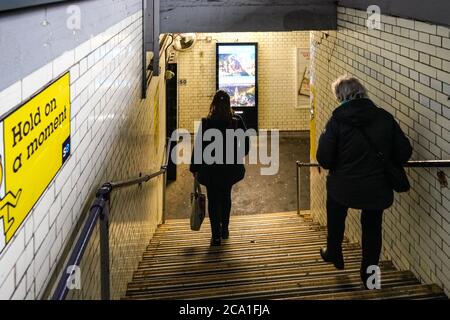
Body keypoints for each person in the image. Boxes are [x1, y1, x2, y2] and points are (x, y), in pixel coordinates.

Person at [316, 75, 412, 288]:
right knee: (372, 229)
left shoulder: (335, 122)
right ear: (363, 92)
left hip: (342, 187)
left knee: (335, 213)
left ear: (341, 97)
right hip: (376, 188)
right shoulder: (384, 118)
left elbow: (324, 159)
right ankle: (370, 278)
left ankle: (334, 252)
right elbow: (404, 152)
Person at [190, 90, 250, 246]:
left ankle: (215, 236)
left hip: (210, 170)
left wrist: (194, 168)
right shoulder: (236, 121)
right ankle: (225, 229)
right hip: (229, 169)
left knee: (213, 199)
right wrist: (236, 154)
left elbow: (198, 148)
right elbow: (246, 146)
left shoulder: (206, 123)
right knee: (226, 196)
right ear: (229, 104)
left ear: (213, 105)